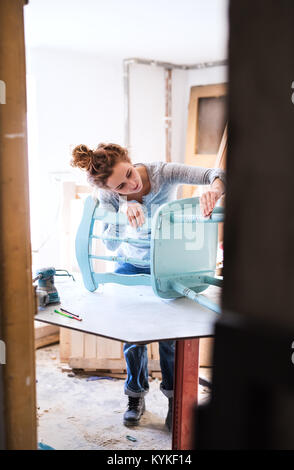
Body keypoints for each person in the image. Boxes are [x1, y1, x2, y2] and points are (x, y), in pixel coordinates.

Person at [71, 142, 225, 431]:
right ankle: (135, 397)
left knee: (169, 338)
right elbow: (111, 245)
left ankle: (173, 399)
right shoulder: (108, 195)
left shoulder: (163, 173)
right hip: (129, 264)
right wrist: (123, 211)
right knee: (133, 337)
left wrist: (214, 191)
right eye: (121, 186)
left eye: (129, 173)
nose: (132, 183)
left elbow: (218, 173)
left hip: (167, 263)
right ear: (110, 189)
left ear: (131, 160)